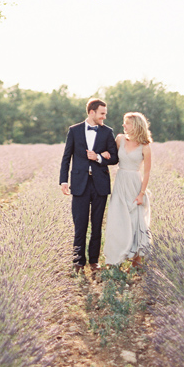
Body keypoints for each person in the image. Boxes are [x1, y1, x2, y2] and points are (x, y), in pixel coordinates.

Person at [59, 98, 118, 272]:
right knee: (80, 224)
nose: (104, 117)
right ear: (91, 112)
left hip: (100, 184)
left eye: (105, 114)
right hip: (79, 184)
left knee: (97, 224)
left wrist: (98, 157)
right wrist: (63, 180)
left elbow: (115, 158)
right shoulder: (74, 131)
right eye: (102, 114)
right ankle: (78, 261)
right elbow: (66, 157)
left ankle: (94, 261)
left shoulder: (108, 132)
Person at [103, 111, 152, 268]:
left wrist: (141, 194)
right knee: (117, 219)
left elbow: (147, 172)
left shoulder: (145, 146)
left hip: (135, 184)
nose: (123, 125)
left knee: (136, 220)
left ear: (136, 125)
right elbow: (113, 156)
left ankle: (136, 259)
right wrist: (104, 155)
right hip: (120, 182)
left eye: (127, 123)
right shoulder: (120, 139)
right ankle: (114, 258)